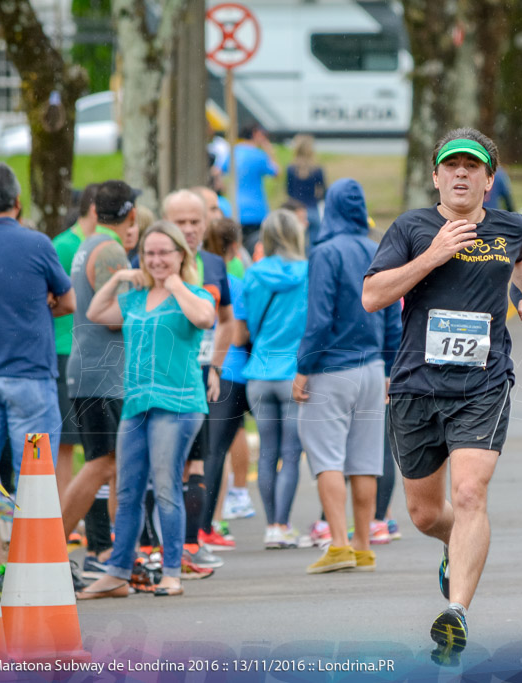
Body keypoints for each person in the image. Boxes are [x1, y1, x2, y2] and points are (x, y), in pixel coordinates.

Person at [362, 128, 522, 659]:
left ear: (490, 179)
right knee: (424, 513)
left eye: (472, 166)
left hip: (482, 383)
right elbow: (372, 296)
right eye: (451, 166)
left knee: (469, 495)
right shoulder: (412, 227)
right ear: (436, 176)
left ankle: (456, 611)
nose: (461, 173)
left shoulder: (511, 228)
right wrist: (432, 256)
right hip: (418, 384)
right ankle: (456, 544)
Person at [78, 220, 215, 599]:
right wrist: (120, 275)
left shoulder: (195, 292)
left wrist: (174, 283)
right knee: (127, 488)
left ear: (180, 255)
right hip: (136, 404)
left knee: (167, 484)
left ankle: (172, 572)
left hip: (178, 404)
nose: (156, 260)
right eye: (149, 253)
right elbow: (95, 312)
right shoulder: (135, 298)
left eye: (163, 253)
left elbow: (204, 319)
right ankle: (118, 572)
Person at [294, 178, 401, 574]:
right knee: (365, 460)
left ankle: (338, 544)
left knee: (327, 459)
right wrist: (390, 367)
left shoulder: (325, 252)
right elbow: (392, 314)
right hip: (373, 368)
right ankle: (362, 544)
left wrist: (303, 367)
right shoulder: (378, 249)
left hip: (331, 368)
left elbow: (319, 317)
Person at [0, 162, 75, 509]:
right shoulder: (38, 244)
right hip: (30, 375)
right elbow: (69, 301)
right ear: (18, 201)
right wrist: (44, 305)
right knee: (34, 479)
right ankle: (30, 561)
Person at [61, 180, 140, 576]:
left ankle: (113, 552)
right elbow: (117, 316)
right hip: (102, 373)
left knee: (109, 463)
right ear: (132, 214)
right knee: (101, 464)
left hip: (92, 369)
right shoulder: (111, 251)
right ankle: (49, 547)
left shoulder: (89, 243)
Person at [161, 189, 235, 557]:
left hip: (201, 376)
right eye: (180, 223)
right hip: (160, 378)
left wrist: (216, 368)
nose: (189, 229)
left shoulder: (213, 264)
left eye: (195, 222)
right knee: (161, 462)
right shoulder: (153, 263)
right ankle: (155, 546)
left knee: (196, 460)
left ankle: (192, 543)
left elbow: (226, 321)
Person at [238, 209, 308, 550]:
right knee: (291, 454)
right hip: (294, 373)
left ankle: (271, 526)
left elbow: (247, 327)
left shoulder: (252, 275)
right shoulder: (307, 273)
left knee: (267, 452)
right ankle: (283, 524)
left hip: (259, 372)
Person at [199, 217, 256, 547]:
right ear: (234, 248)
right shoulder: (234, 281)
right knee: (214, 453)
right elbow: (238, 334)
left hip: (198, 367)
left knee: (199, 452)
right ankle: (205, 528)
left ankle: (198, 527)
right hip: (230, 372)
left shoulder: (194, 277)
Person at [52, 183, 100, 498]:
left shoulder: (96, 244)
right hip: (66, 350)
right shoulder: (65, 245)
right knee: (67, 441)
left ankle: (76, 511)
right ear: (95, 209)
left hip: (92, 353)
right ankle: (61, 515)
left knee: (93, 441)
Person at [223, 124, 280, 255]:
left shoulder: (232, 152)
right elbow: (276, 172)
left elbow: (218, 171)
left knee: (236, 250)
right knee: (255, 249)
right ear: (255, 134)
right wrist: (269, 150)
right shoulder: (259, 155)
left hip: (235, 209)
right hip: (257, 210)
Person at [285, 134, 326, 250]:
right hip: (312, 209)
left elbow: (289, 192)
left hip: (296, 211)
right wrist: (316, 199)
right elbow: (323, 191)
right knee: (314, 246)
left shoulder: (291, 169)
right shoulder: (317, 169)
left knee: (295, 246)